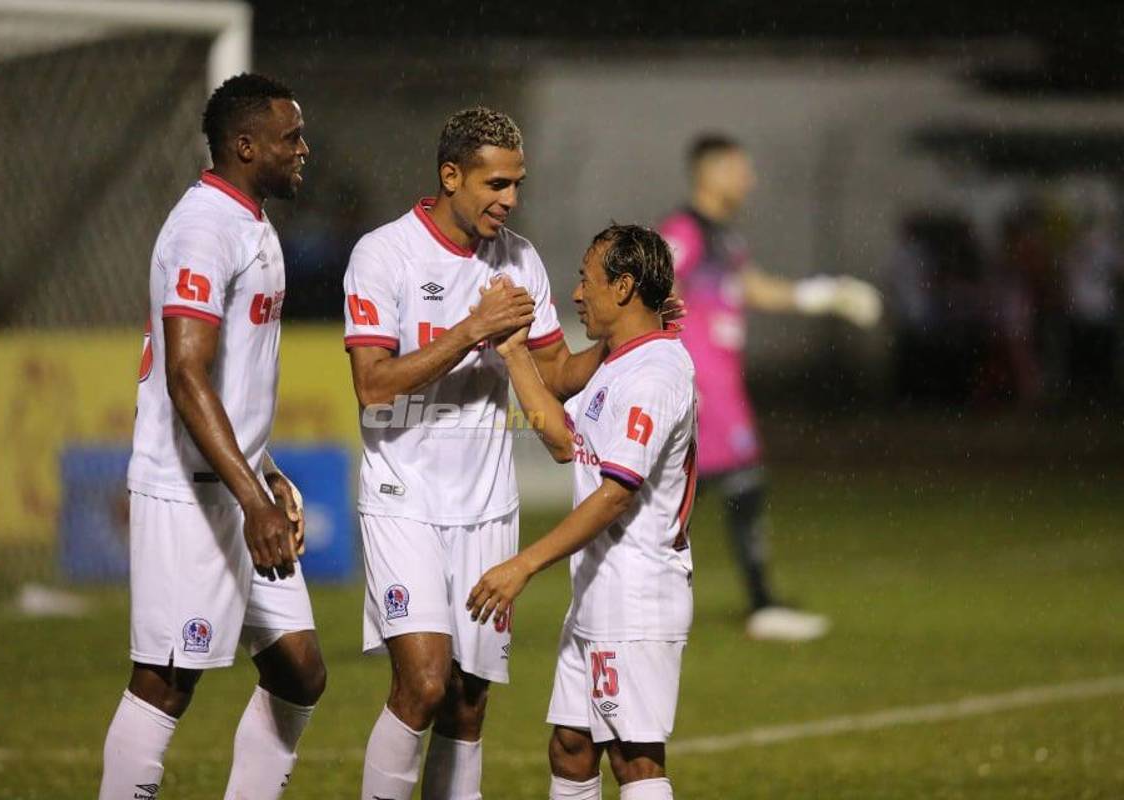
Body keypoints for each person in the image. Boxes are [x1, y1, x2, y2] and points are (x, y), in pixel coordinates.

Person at [344, 107, 620, 800]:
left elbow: (556, 375)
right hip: (403, 498)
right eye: (496, 184)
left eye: (517, 184)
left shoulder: (519, 260)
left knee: (467, 698)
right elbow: (373, 388)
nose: (510, 199)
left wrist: (627, 338)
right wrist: (474, 328)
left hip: (487, 506)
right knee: (424, 682)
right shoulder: (384, 255)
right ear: (451, 176)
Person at [99, 74, 326, 800]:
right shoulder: (202, 229)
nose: (303, 150)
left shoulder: (250, 223)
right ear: (245, 145)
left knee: (298, 670)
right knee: (165, 681)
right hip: (190, 494)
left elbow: (231, 382)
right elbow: (187, 375)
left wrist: (267, 472)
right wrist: (253, 499)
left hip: (237, 485)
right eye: (291, 137)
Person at [468, 224, 696, 800]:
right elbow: (564, 443)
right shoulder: (617, 362)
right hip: (599, 589)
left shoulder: (654, 375)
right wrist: (514, 352)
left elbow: (616, 493)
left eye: (585, 280)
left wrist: (524, 564)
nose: (576, 294)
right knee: (571, 746)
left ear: (623, 287)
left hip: (637, 596)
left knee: (634, 758)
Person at [657, 134, 880, 642]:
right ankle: (760, 604)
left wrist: (824, 294)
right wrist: (671, 365)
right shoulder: (683, 231)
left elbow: (751, 287)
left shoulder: (725, 238)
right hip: (702, 382)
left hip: (721, 380)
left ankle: (661, 590)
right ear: (710, 172)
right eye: (740, 170)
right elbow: (656, 282)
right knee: (736, 480)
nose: (749, 180)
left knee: (692, 490)